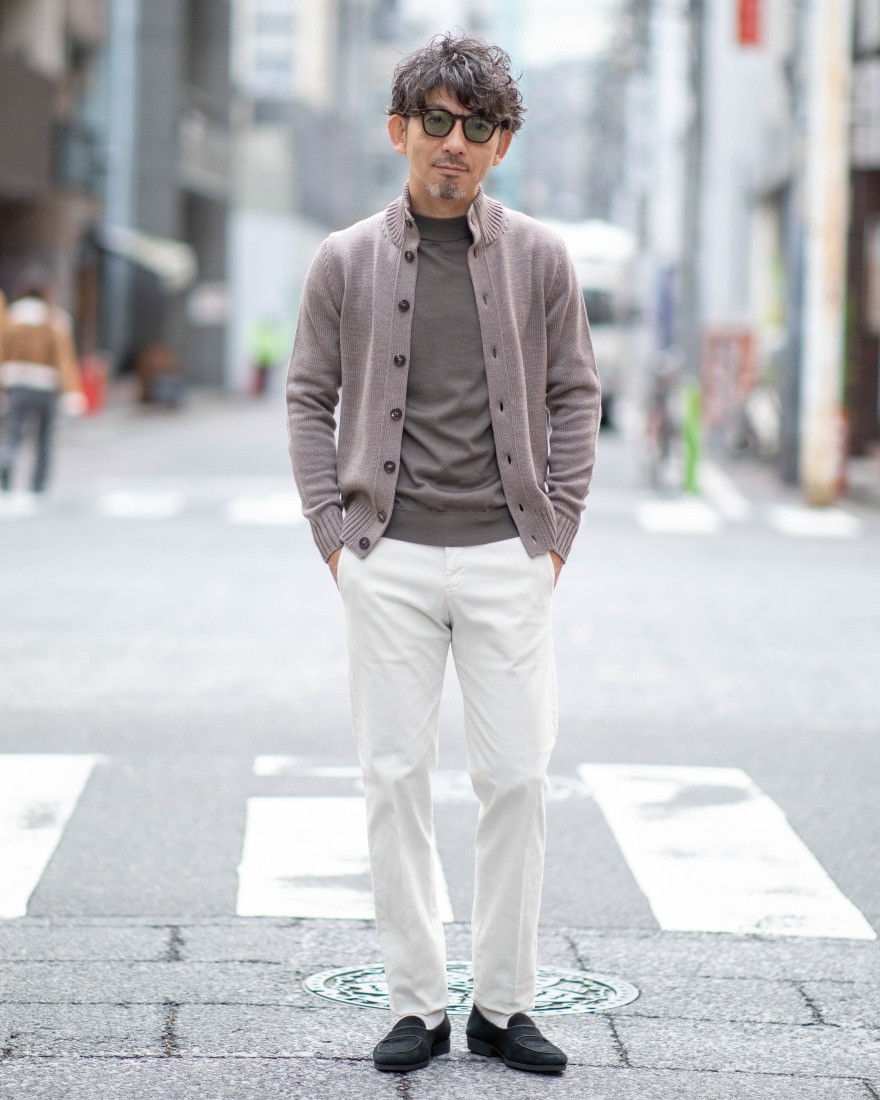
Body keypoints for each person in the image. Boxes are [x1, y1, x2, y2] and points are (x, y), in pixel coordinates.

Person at [287, 33, 600, 1075]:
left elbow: (574, 395)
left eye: (477, 126)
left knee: (517, 780)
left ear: (502, 144)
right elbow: (308, 396)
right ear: (399, 130)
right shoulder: (344, 259)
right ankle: (417, 1003)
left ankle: (502, 1005)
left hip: (510, 555)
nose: (453, 143)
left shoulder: (541, 258)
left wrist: (554, 535)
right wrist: (335, 539)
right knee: (394, 780)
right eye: (435, 120)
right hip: (388, 557)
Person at [0, 282, 84, 495]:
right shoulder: (55, 319)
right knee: (44, 438)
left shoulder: (12, 317)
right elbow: (64, 359)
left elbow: (2, 350)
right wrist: (70, 393)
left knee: (14, 433)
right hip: (45, 386)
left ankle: (5, 463)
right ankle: (38, 484)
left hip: (17, 383)